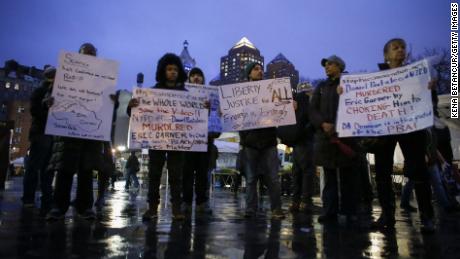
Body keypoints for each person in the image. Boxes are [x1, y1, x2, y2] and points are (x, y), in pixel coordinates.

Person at [371, 38, 435, 233]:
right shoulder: (376, 78)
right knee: (382, 172)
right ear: (386, 55)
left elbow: (428, 102)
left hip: (411, 128)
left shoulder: (416, 75)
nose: (400, 50)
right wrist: (344, 91)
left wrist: (429, 90)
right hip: (386, 129)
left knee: (418, 170)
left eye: (402, 47)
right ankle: (387, 215)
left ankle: (427, 217)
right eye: (395, 47)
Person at [46, 43, 107, 220]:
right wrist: (48, 102)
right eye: (85, 54)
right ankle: (58, 207)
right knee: (64, 171)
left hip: (89, 134)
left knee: (86, 172)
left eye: (92, 55)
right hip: (67, 134)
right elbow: (50, 96)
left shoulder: (101, 80)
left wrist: (113, 101)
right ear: (78, 55)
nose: (88, 57)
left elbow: (107, 106)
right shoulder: (65, 76)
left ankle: (85, 207)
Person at [127, 53, 188, 221]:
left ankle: (177, 209)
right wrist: (130, 106)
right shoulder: (151, 92)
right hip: (157, 140)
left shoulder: (186, 94)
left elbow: (196, 117)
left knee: (176, 176)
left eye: (175, 69)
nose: (173, 72)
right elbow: (136, 114)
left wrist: (205, 108)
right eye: (169, 69)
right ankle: (152, 208)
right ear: (163, 71)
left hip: (177, 142)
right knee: (154, 174)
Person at [310, 55, 358, 224]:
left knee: (348, 177)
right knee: (329, 177)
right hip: (326, 139)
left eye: (330, 64)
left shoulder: (351, 83)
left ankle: (350, 210)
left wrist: (337, 125)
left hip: (346, 138)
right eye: (326, 65)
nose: (327, 67)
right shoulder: (321, 87)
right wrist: (322, 124)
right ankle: (329, 211)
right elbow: (312, 109)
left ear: (340, 66)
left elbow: (357, 106)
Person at [238, 62, 284, 219]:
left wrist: (291, 106)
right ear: (248, 73)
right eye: (256, 69)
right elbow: (235, 115)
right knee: (251, 179)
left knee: (273, 178)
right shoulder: (240, 94)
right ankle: (250, 209)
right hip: (250, 143)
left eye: (261, 69)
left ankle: (276, 209)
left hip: (269, 141)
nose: (260, 71)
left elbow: (282, 108)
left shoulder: (272, 90)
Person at [182, 67, 219, 216]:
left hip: (205, 142)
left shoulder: (211, 97)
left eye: (199, 75)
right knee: (187, 174)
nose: (196, 78)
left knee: (203, 174)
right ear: (189, 79)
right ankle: (186, 202)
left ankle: (201, 203)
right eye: (193, 75)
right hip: (186, 142)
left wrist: (210, 109)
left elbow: (217, 120)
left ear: (203, 79)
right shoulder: (181, 95)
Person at [21, 66, 56, 214]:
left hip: (53, 134)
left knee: (48, 169)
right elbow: (34, 111)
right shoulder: (40, 91)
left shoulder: (57, 92)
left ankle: (46, 199)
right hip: (41, 133)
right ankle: (29, 198)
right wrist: (45, 105)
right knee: (35, 167)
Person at [278, 87, 316, 214]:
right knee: (306, 172)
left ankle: (296, 201)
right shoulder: (307, 102)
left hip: (296, 143)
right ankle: (305, 201)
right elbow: (312, 121)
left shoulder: (296, 101)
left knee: (297, 173)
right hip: (305, 142)